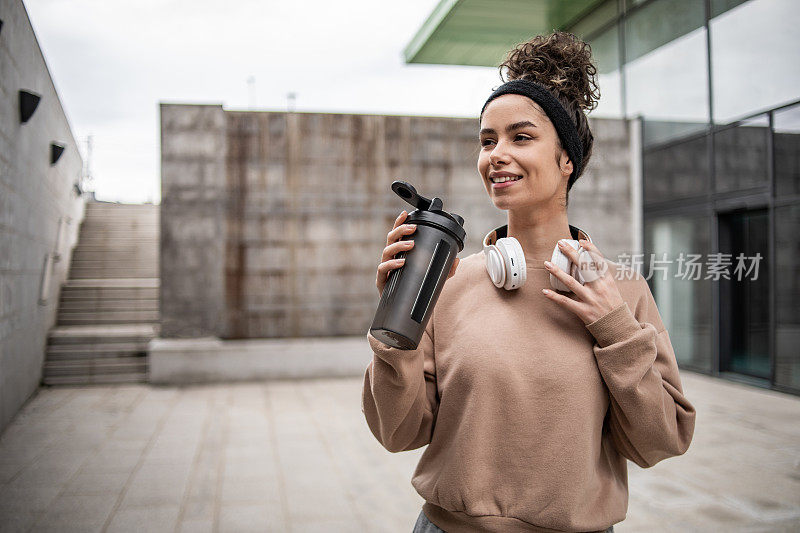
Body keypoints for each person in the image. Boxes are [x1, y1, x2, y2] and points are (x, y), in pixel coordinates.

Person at [362, 31, 696, 533]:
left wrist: (616, 329)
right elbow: (399, 432)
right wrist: (396, 324)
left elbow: (661, 440)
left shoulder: (620, 290)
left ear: (567, 161)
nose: (496, 154)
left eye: (521, 137)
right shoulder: (450, 281)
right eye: (487, 140)